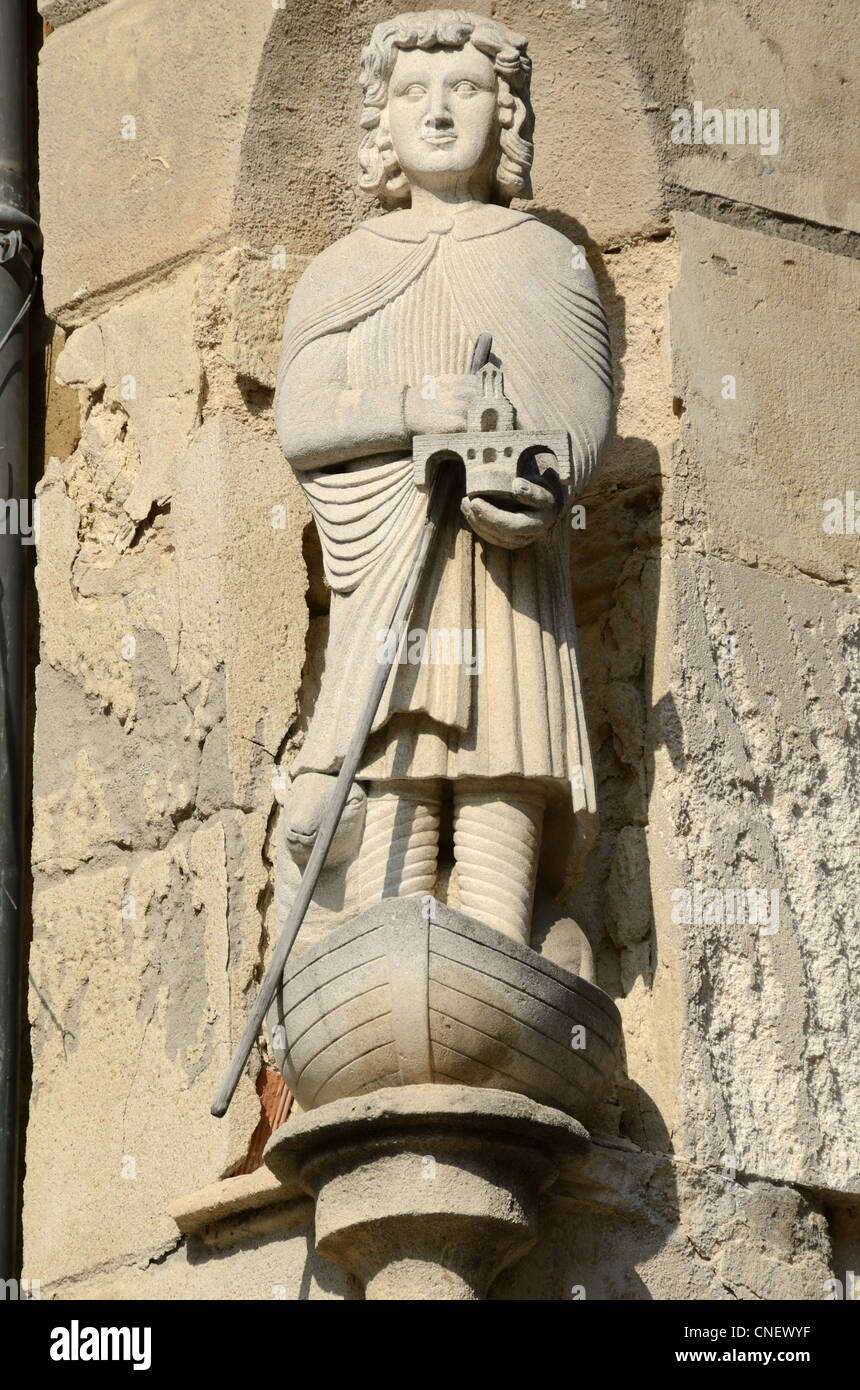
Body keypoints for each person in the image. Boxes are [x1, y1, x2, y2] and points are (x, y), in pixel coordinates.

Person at [274, 10, 613, 944]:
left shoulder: (547, 258)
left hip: (506, 576)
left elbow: (585, 410)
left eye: (463, 90)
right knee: (397, 757)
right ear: (380, 119)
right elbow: (300, 422)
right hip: (391, 567)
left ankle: (502, 949)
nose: (436, 112)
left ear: (504, 114)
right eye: (412, 93)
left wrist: (541, 488)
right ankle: (390, 952)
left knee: (504, 752)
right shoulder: (343, 271)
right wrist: (417, 405)